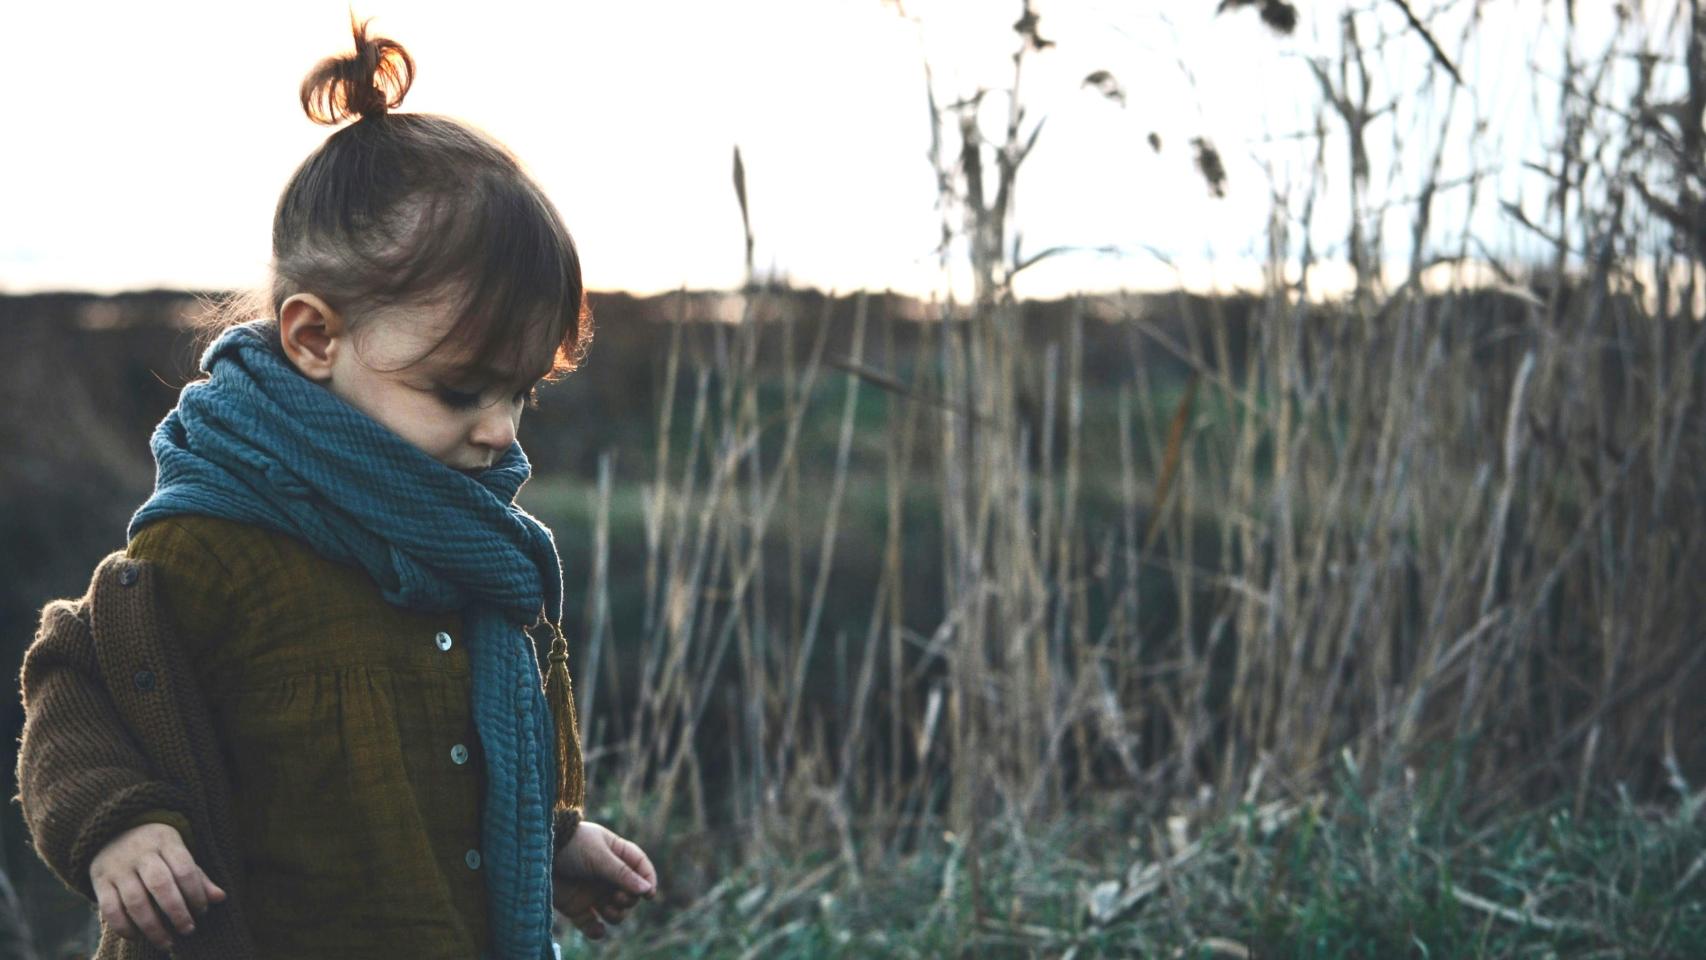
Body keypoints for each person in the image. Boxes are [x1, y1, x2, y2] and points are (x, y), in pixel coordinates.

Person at [14, 16, 655, 959]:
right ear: (315, 338)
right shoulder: (222, 536)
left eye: (520, 392)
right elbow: (73, 676)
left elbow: (476, 739)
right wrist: (120, 823)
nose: (500, 429)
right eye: (460, 388)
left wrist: (550, 838)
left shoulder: (475, 544)